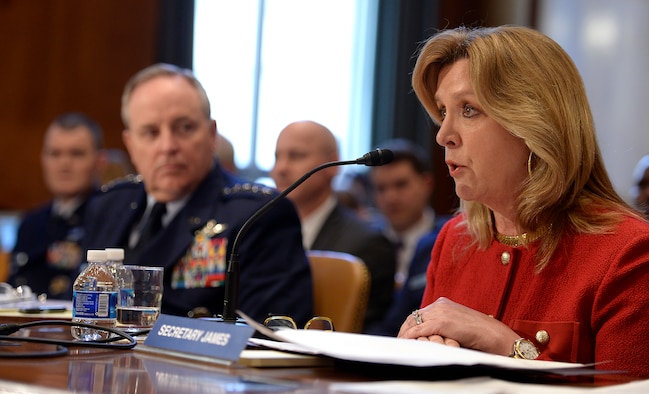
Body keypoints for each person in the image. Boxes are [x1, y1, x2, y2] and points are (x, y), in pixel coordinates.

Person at [397, 25, 649, 378]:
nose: (443, 135)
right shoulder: (455, 240)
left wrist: (506, 346)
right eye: (443, 111)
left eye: (468, 109)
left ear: (534, 125)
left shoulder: (628, 254)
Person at [83, 63, 312, 324]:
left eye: (184, 128)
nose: (168, 146)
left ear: (211, 134)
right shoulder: (107, 205)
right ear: (130, 144)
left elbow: (267, 335)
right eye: (151, 132)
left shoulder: (257, 215)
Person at [270, 120, 395, 330]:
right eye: (277, 157)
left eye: (296, 155)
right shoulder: (260, 232)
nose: (280, 168)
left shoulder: (367, 244)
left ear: (332, 164)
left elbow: (367, 336)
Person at [8, 112, 105, 299]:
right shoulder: (31, 222)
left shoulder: (108, 218)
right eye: (55, 153)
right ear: (43, 159)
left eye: (76, 154)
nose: (64, 163)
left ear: (100, 162)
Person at [369, 139, 438, 290]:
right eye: (381, 188)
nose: (390, 198)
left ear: (426, 184)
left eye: (401, 185)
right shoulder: (366, 243)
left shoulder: (447, 241)